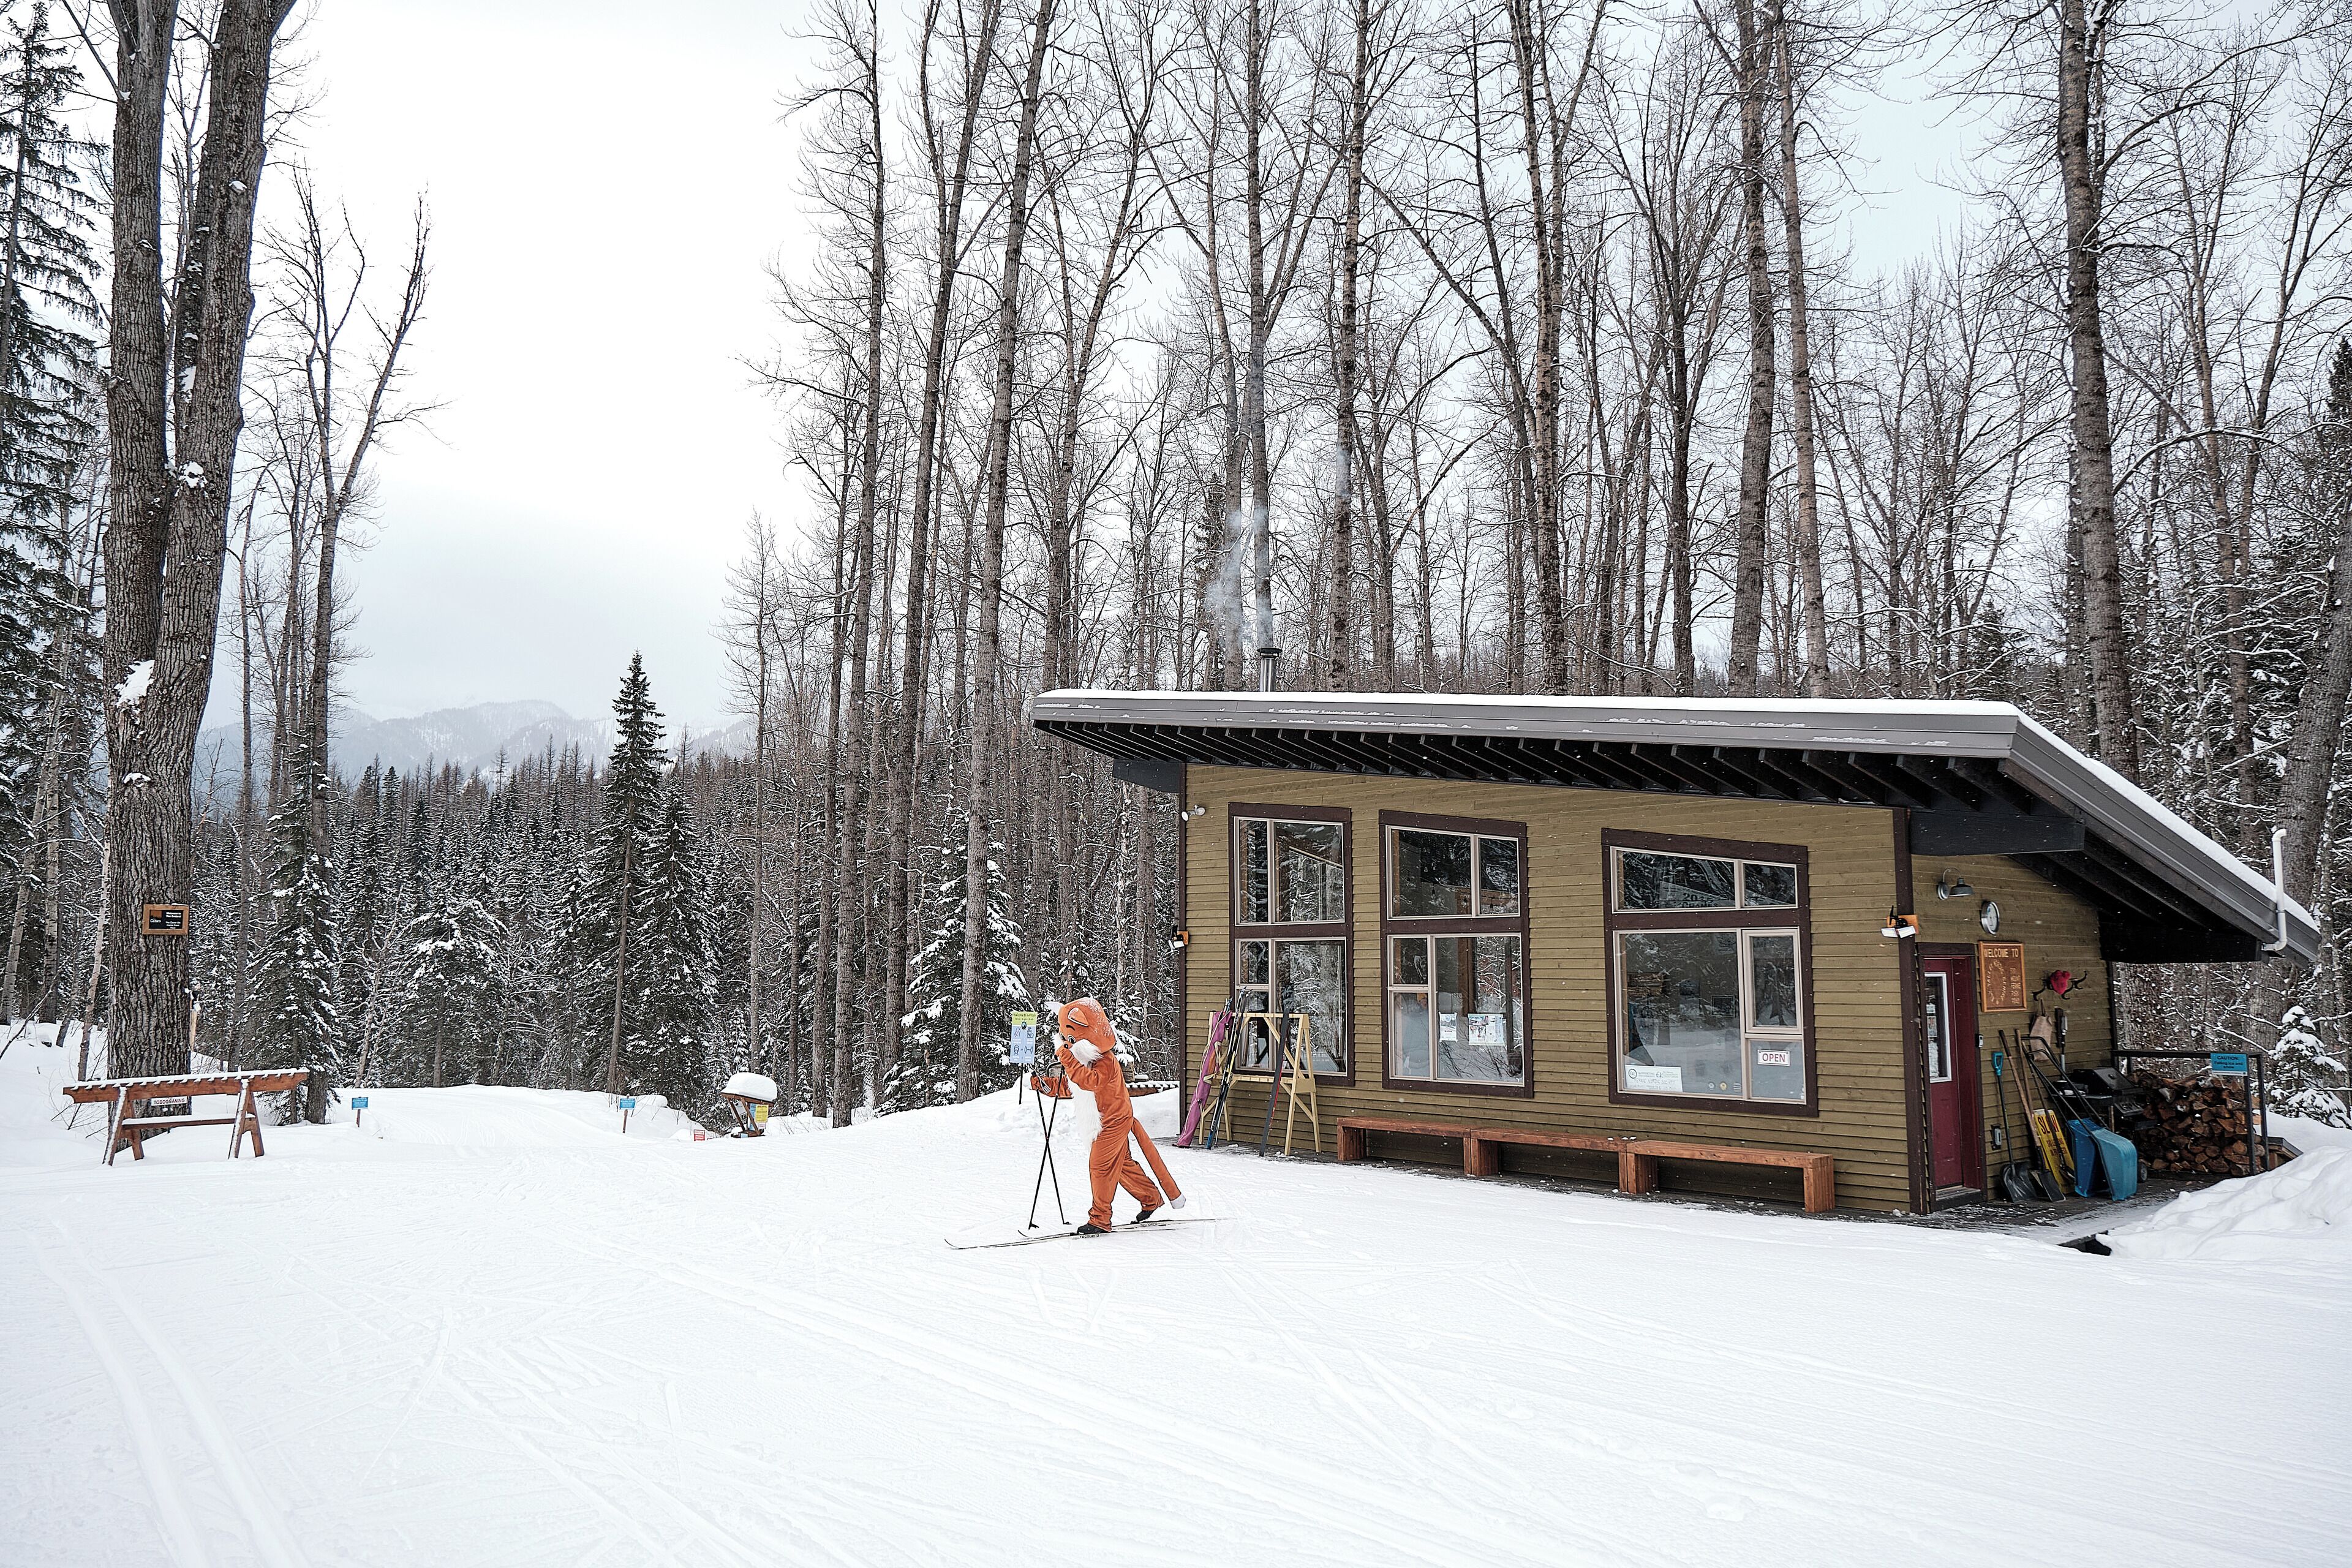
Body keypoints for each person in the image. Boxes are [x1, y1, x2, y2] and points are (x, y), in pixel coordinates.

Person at [1055, 996, 1183, 1235]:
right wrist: (1046, 1085)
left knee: (1100, 1166)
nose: (1067, 1044)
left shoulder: (1104, 1062)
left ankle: (1100, 1219)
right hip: (1109, 1119)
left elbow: (1090, 1083)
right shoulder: (1086, 1059)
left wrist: (1067, 1058)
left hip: (1113, 1121)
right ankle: (1151, 1197)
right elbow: (1076, 1086)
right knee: (1122, 1165)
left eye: (1071, 1039)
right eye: (1065, 1039)